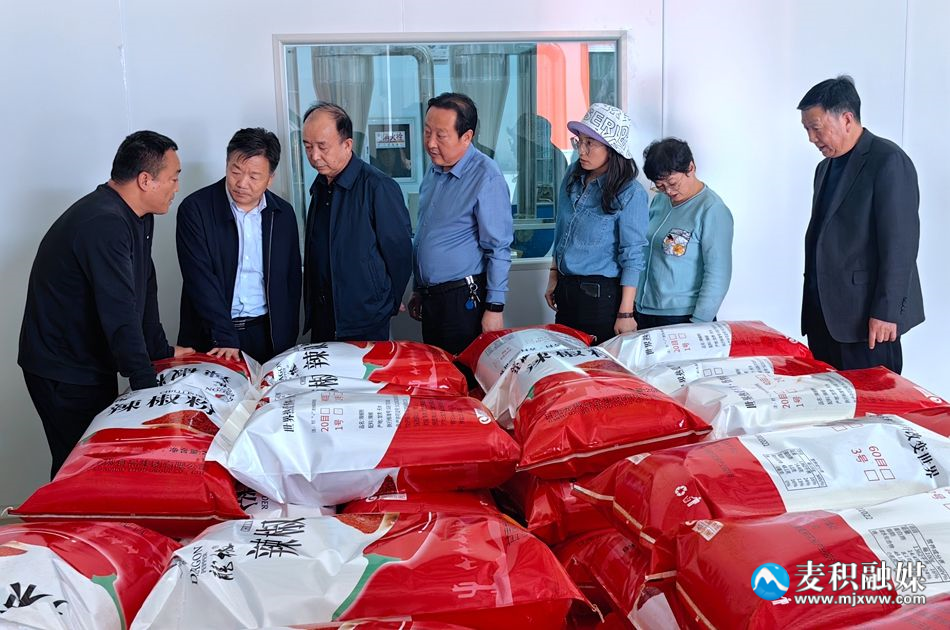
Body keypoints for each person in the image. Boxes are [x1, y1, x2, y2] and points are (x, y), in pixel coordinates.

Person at [18, 131, 193, 477]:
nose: (176, 187)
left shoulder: (139, 216)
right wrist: (146, 386)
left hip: (90, 360)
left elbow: (145, 287)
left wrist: (160, 352)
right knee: (80, 469)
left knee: (99, 465)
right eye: (173, 178)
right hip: (62, 368)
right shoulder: (103, 222)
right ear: (146, 180)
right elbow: (119, 311)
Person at [798, 76, 922, 373]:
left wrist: (886, 312)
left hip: (868, 323)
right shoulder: (824, 168)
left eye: (816, 127)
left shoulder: (888, 161)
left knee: (871, 400)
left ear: (846, 119)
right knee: (827, 399)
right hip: (824, 319)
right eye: (807, 130)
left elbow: (900, 246)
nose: (812, 138)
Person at [177, 128, 301, 363]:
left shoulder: (282, 214)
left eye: (254, 176)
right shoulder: (196, 209)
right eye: (235, 171)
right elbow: (199, 279)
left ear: (270, 178)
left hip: (267, 334)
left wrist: (287, 335)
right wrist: (224, 335)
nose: (242, 183)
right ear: (226, 164)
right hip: (212, 336)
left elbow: (291, 280)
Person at [408, 92, 514, 355]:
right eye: (427, 132)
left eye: (440, 135)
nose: (430, 143)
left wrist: (494, 308)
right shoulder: (434, 170)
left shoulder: (485, 176)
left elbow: (498, 248)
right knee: (437, 370)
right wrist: (419, 289)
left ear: (466, 137)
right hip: (431, 298)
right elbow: (428, 233)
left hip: (462, 300)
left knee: (462, 373)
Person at [302, 102, 412, 342]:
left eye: (322, 146)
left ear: (347, 145)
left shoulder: (377, 186)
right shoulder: (321, 186)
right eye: (308, 147)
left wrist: (387, 301)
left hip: (364, 318)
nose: (314, 156)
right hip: (325, 315)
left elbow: (400, 252)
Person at [544, 103, 649, 343]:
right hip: (566, 290)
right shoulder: (573, 175)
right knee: (565, 359)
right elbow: (562, 231)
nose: (581, 150)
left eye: (590, 143)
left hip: (600, 299)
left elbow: (633, 255)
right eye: (579, 141)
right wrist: (553, 277)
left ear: (612, 149)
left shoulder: (630, 192)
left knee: (597, 363)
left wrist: (626, 313)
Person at [635, 138, 734, 329]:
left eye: (673, 183)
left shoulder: (712, 210)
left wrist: (699, 323)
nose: (668, 191)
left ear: (691, 167)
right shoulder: (660, 201)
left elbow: (718, 274)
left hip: (682, 316)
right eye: (660, 186)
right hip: (644, 310)